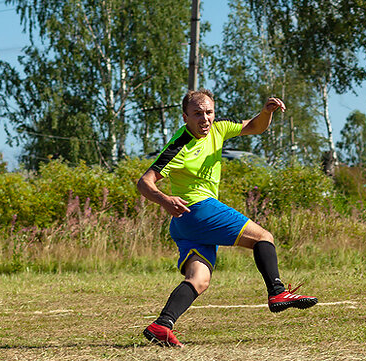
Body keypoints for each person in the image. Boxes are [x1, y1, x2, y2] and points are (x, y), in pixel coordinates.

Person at [136, 90, 318, 347]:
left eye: (209, 112)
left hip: (185, 225)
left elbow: (255, 127)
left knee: (199, 279)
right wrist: (165, 200)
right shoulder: (179, 146)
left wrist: (266, 112)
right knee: (263, 237)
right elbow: (144, 183)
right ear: (185, 116)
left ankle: (162, 324)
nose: (205, 119)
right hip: (199, 210)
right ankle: (277, 292)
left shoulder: (219, 130)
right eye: (197, 113)